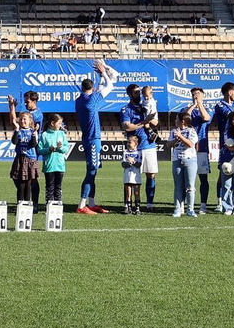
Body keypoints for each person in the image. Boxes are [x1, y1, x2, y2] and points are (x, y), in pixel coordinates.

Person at [74, 60, 115, 214]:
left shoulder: (80, 100)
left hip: (89, 138)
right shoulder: (92, 100)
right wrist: (104, 72)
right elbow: (110, 86)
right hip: (92, 139)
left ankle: (91, 203)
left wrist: (99, 78)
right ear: (91, 88)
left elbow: (98, 89)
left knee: (94, 171)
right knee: (91, 171)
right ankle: (81, 205)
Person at [120, 84, 160, 211]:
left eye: (140, 92)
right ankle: (128, 204)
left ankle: (149, 204)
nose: (139, 95)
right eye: (136, 93)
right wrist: (144, 122)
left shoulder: (147, 105)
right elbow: (127, 127)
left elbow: (155, 123)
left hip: (148, 145)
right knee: (130, 177)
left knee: (151, 175)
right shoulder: (126, 109)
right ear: (130, 94)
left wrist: (150, 119)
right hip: (134, 148)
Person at [180, 88, 212, 213]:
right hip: (187, 148)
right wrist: (194, 104)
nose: (196, 96)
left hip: (202, 148)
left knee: (203, 178)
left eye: (198, 94)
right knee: (184, 179)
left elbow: (206, 118)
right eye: (193, 94)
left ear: (203, 95)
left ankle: (203, 204)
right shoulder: (187, 109)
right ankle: (183, 204)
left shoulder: (208, 109)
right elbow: (184, 118)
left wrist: (199, 104)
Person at [168, 111, 200, 217]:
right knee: (178, 186)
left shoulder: (192, 131)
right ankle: (177, 209)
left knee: (190, 186)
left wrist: (181, 136)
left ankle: (190, 209)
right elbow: (169, 144)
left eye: (177, 119)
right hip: (177, 160)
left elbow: (191, 144)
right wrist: (176, 138)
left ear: (182, 121)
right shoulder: (173, 131)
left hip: (190, 160)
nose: (175, 121)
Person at [10, 111, 41, 205]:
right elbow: (14, 142)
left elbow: (33, 144)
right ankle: (20, 204)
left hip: (30, 159)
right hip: (20, 159)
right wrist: (16, 129)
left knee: (28, 185)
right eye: (21, 119)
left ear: (30, 121)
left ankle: (27, 204)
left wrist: (34, 135)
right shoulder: (18, 131)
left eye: (25, 119)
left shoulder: (32, 132)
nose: (23, 121)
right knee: (21, 185)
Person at [39, 113, 69, 207]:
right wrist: (48, 149)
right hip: (49, 166)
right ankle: (49, 205)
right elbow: (39, 150)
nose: (61, 125)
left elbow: (66, 148)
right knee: (49, 187)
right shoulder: (44, 135)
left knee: (58, 187)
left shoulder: (62, 134)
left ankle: (58, 204)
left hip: (60, 165)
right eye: (59, 123)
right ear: (52, 123)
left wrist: (60, 148)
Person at [121, 130, 142, 214]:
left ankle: (137, 208)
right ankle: (129, 208)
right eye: (127, 142)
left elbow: (139, 164)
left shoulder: (139, 153)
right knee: (128, 193)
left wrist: (133, 162)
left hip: (136, 176)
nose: (128, 144)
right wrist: (129, 163)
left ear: (136, 144)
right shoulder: (125, 152)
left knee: (137, 193)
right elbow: (123, 164)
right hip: (127, 176)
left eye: (130, 142)